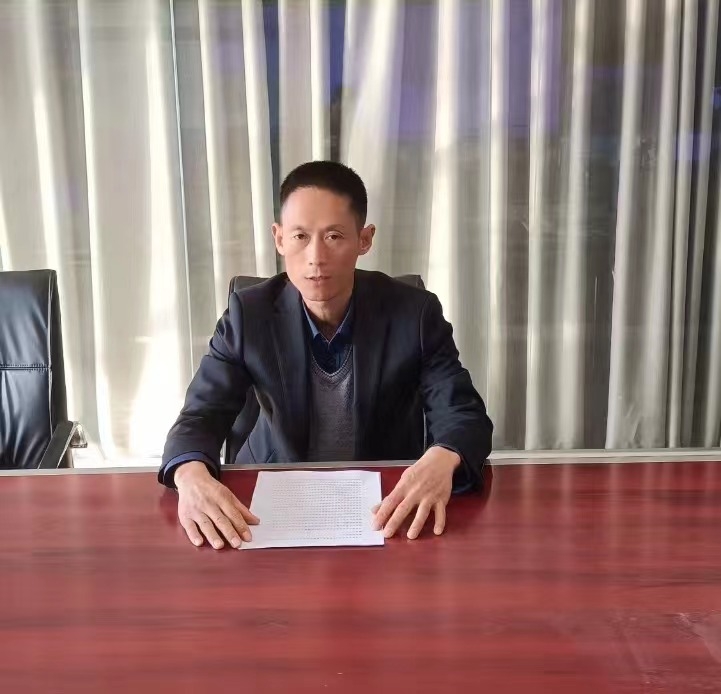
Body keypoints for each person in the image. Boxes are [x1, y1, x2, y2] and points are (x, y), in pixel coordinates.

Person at [159, 160, 493, 549]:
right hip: (271, 499)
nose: (315, 257)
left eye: (334, 236)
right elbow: (200, 415)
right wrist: (189, 474)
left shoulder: (414, 314)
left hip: (382, 503)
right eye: (300, 236)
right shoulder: (248, 315)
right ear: (279, 238)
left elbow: (463, 413)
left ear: (364, 239)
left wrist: (443, 456)